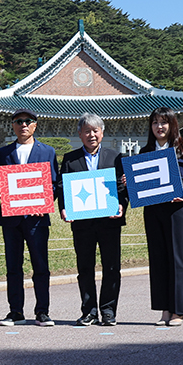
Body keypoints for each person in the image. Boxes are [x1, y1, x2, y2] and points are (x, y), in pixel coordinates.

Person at [57, 113, 127, 327]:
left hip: (109, 221)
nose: (91, 135)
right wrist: (63, 208)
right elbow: (62, 188)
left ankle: (108, 311)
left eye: (95, 130)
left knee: (112, 267)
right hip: (82, 223)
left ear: (102, 133)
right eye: (87, 130)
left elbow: (123, 187)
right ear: (80, 134)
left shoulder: (116, 157)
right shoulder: (70, 159)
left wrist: (122, 205)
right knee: (85, 267)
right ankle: (89, 311)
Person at [0, 108, 58, 327]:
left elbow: (53, 183)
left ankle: (42, 311)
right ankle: (16, 312)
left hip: (36, 218)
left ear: (35, 125)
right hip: (11, 218)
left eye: (28, 121)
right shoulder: (3, 153)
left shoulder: (47, 151)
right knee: (13, 266)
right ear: (12, 125)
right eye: (18, 121)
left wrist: (46, 201)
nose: (23, 125)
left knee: (40, 265)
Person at [140, 107, 183, 327]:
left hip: (176, 211)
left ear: (172, 124)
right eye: (155, 122)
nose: (159, 126)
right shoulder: (145, 151)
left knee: (178, 258)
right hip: (153, 211)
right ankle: (165, 308)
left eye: (164, 122)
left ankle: (178, 310)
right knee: (158, 259)